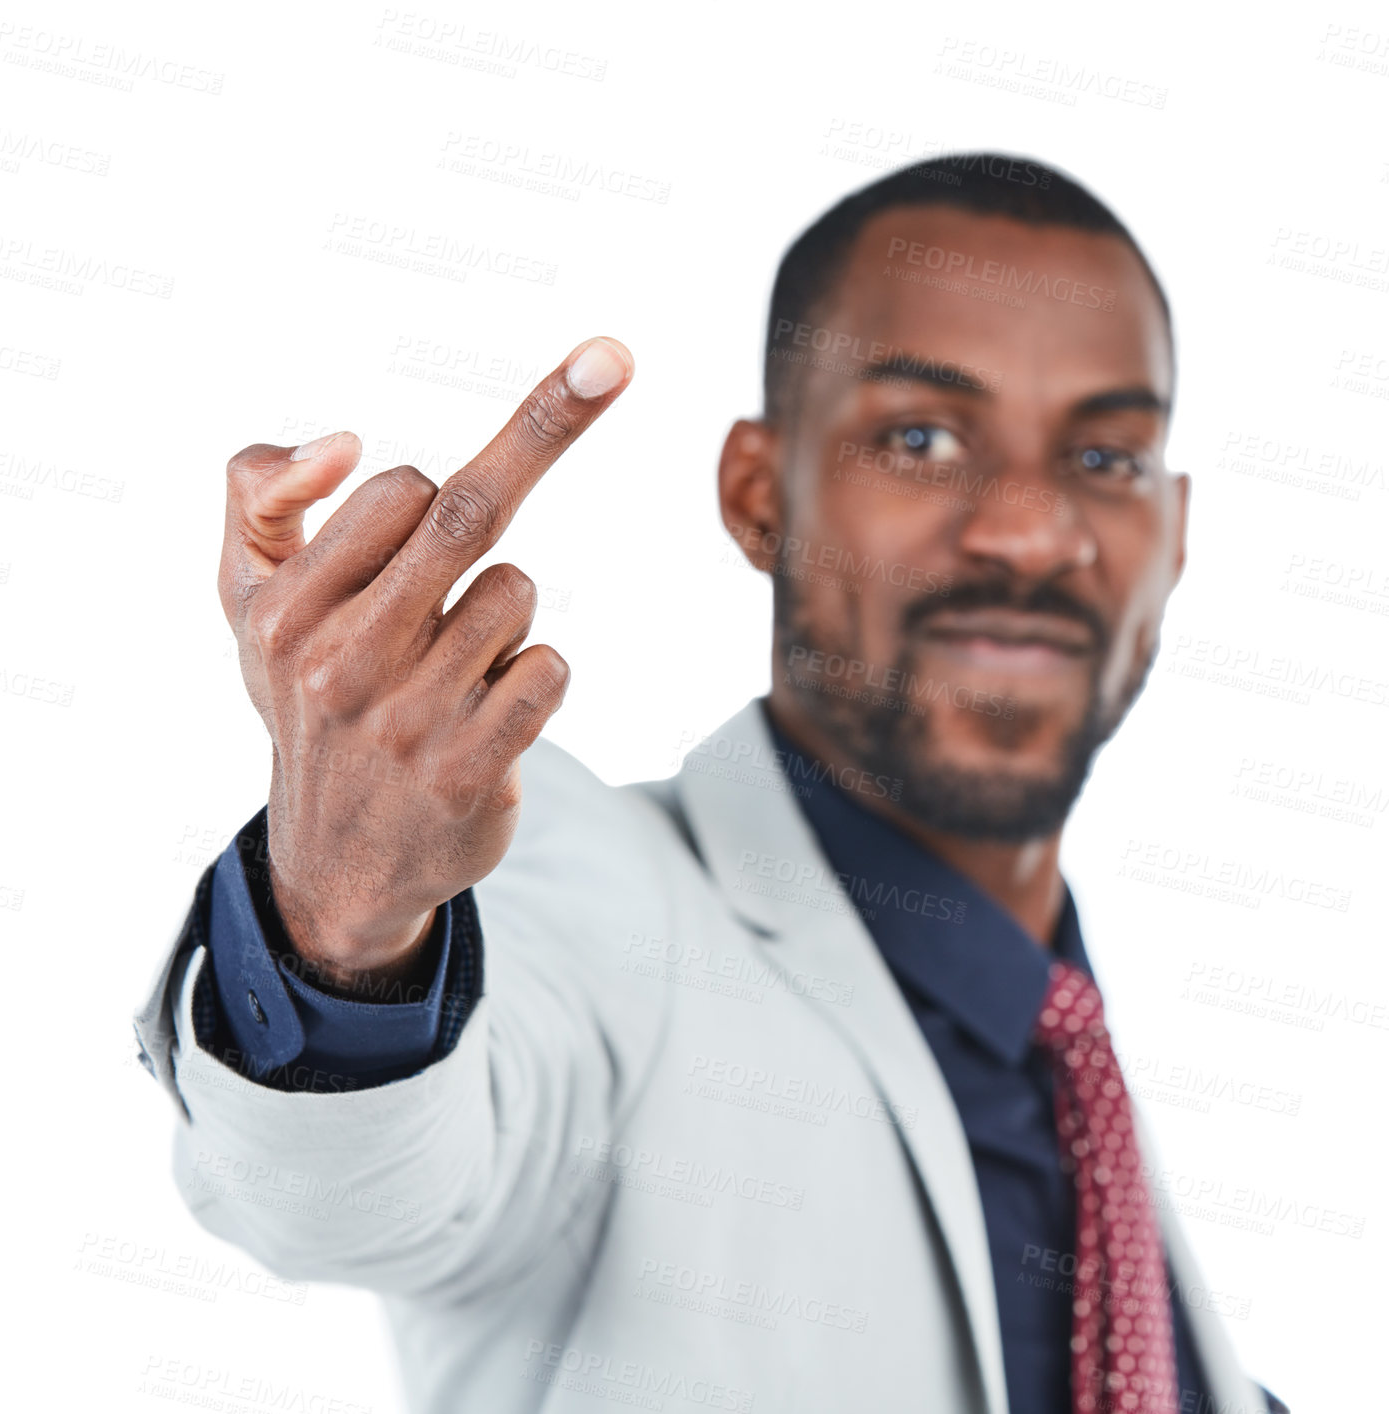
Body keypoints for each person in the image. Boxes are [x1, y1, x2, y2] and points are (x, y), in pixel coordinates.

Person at [135, 152, 1285, 1414]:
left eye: (1107, 459)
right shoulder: (592, 894)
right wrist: (346, 920)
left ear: (1173, 534)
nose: (1024, 529)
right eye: (921, 436)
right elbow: (348, 1201)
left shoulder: (1071, 1063)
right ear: (757, 495)